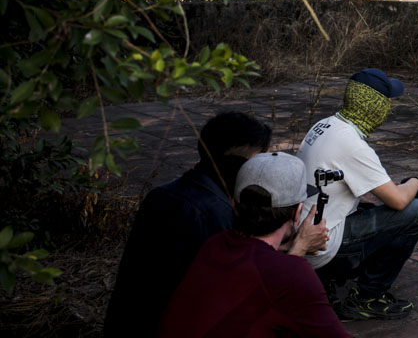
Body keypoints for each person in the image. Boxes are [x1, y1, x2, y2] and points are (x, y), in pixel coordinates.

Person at [105, 111, 327, 337]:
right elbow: (252, 295)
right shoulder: (214, 214)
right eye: (258, 162)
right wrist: (297, 249)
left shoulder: (165, 194)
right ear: (237, 166)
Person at [156, 151, 350, 338]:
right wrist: (299, 248)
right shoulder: (291, 273)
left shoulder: (214, 244)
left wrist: (290, 247)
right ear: (298, 211)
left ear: (234, 203)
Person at [297, 69, 418, 321]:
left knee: (369, 210)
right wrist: (416, 181)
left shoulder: (326, 124)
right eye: (387, 102)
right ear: (376, 107)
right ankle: (367, 297)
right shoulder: (352, 145)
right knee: (414, 213)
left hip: (303, 234)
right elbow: (398, 200)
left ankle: (328, 278)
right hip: (321, 247)